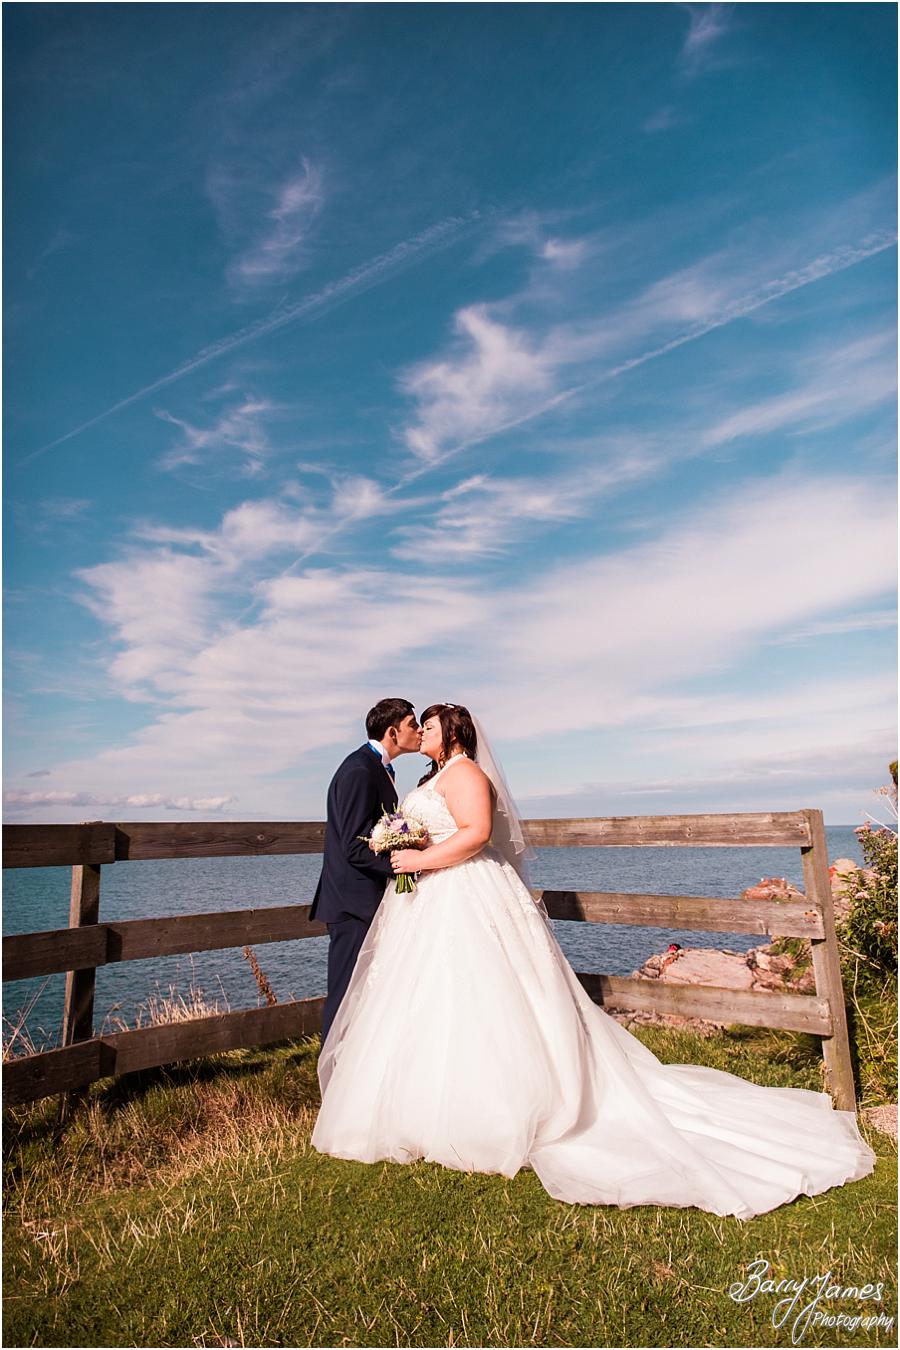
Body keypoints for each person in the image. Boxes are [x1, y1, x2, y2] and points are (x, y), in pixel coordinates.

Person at [311, 704, 876, 1217]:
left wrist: (420, 861)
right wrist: (408, 857)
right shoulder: (424, 777)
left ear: (452, 732)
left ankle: (496, 1107)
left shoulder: (467, 774)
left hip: (460, 890)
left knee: (480, 991)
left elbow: (478, 834)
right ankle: (416, 1105)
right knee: (427, 997)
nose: (421, 732)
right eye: (417, 726)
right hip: (431, 900)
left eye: (428, 725)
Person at [309, 697, 421, 1044]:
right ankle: (332, 1077)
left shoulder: (378, 767)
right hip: (351, 903)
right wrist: (406, 866)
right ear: (392, 731)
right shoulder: (359, 770)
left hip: (364, 899)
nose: (418, 732)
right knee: (345, 994)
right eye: (412, 725)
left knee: (366, 991)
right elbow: (355, 845)